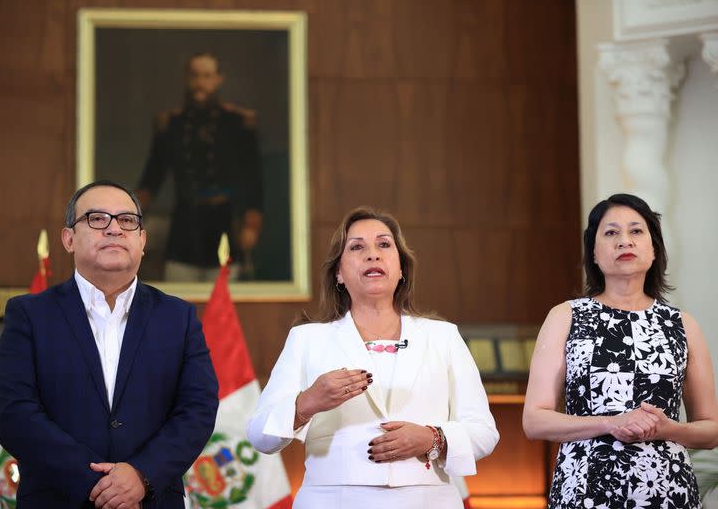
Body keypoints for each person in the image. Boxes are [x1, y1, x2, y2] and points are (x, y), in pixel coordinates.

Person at [246, 206, 499, 509]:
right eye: (356, 247)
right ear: (338, 273)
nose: (372, 254)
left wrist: (433, 438)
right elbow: (260, 437)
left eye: (384, 244)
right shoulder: (307, 339)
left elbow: (484, 432)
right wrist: (308, 402)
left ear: (401, 267)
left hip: (429, 500)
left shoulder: (443, 336)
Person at [0, 180, 220, 508]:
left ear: (142, 239)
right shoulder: (29, 315)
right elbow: (15, 414)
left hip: (151, 500)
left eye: (127, 220)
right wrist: (101, 486)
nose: (114, 229)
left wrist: (142, 476)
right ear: (68, 239)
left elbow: (197, 410)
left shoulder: (178, 317)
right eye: (97, 219)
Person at [523, 193, 718, 508]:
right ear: (595, 254)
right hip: (584, 491)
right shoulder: (566, 316)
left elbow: (711, 429)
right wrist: (610, 423)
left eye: (636, 231)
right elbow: (534, 421)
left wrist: (669, 429)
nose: (624, 241)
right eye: (611, 232)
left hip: (667, 492)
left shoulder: (682, 324)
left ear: (654, 250)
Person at [136, 52, 263, 282]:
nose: (200, 82)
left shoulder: (237, 123)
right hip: (185, 226)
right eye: (195, 75)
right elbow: (152, 178)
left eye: (206, 76)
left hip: (224, 223)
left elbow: (253, 179)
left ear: (218, 79)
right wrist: (130, 218)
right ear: (187, 78)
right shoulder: (171, 124)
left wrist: (251, 224)